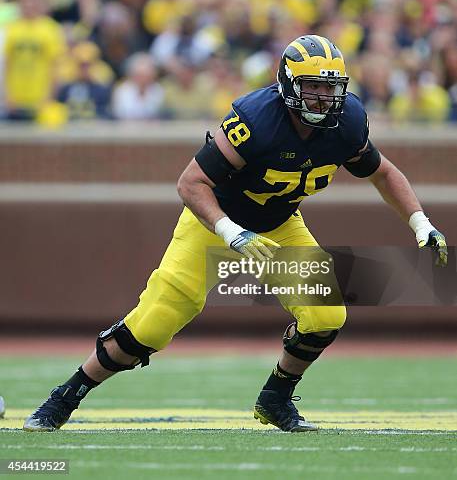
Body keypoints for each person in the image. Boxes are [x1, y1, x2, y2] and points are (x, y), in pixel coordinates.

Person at [23, 35, 447, 433]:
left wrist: (419, 221)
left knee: (326, 314)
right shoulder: (256, 120)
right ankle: (65, 397)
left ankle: (275, 399)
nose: (323, 97)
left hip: (279, 223)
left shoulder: (348, 122)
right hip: (215, 220)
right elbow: (191, 183)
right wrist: (230, 231)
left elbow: (383, 173)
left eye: (330, 87)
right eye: (313, 86)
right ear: (287, 84)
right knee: (154, 326)